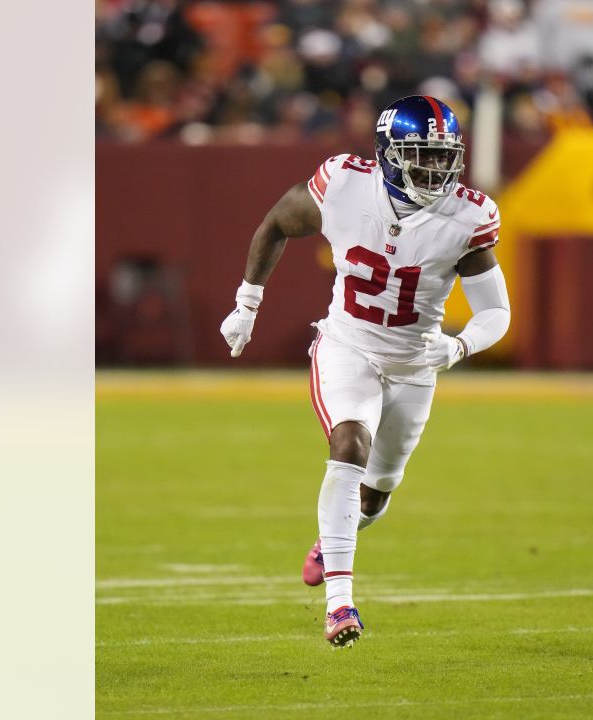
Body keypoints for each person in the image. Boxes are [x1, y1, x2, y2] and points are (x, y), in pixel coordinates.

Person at [219, 96, 512, 648]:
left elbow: (496, 311)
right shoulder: (345, 185)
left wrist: (459, 347)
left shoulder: (467, 217)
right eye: (421, 156)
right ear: (389, 154)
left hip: (415, 364)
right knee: (349, 444)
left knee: (375, 494)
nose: (434, 170)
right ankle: (340, 605)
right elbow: (276, 224)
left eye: (443, 157)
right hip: (347, 345)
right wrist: (247, 302)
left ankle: (333, 537)